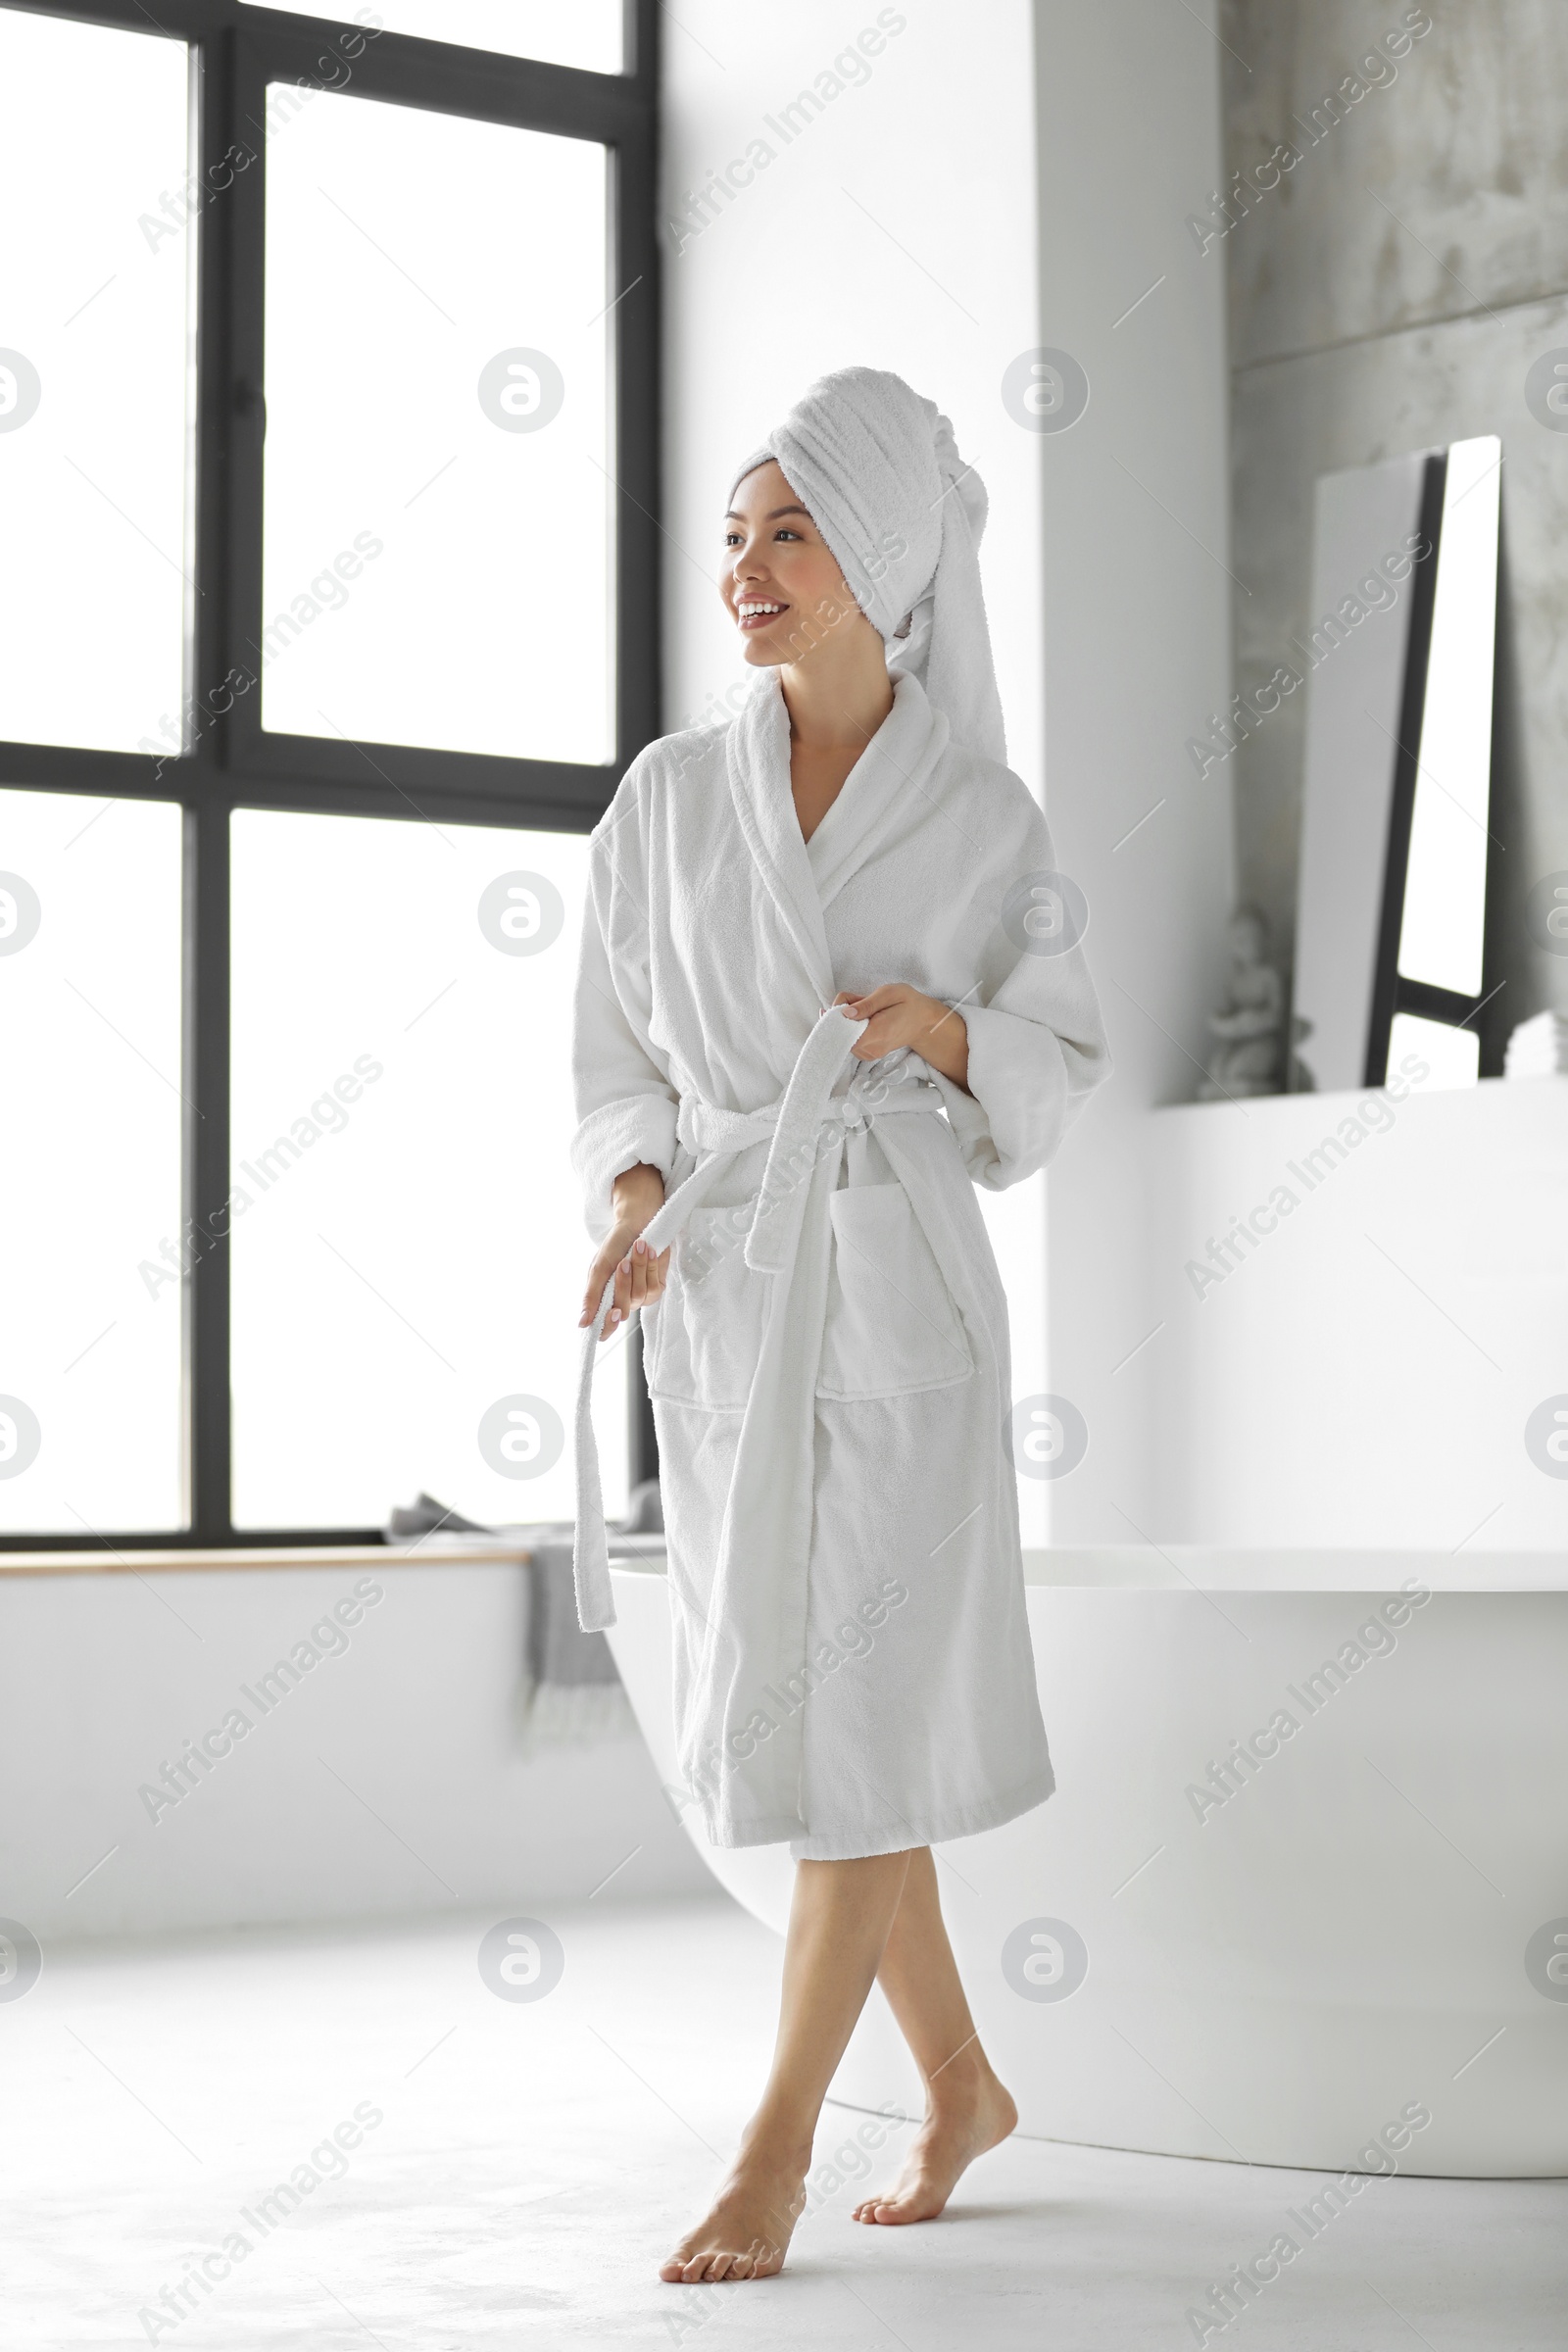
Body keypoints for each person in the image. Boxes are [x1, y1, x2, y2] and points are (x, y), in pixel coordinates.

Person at [569, 367, 1109, 2282]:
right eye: (729, 536)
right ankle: (958, 2082)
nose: (743, 567)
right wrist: (634, 1204)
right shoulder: (659, 802)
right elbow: (615, 1063)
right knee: (818, 1732)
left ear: (879, 563)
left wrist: (938, 1029)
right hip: (726, 1299)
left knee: (854, 1720)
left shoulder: (982, 810)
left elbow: (1060, 1055)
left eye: (785, 532)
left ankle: (773, 2150)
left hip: (899, 1289)